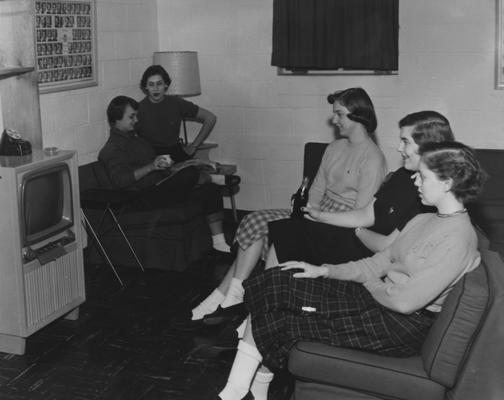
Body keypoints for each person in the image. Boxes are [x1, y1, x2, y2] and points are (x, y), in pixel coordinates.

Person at [215, 141, 485, 400]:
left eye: (423, 176)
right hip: (381, 301)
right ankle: (240, 390)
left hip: (398, 325)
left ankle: (237, 391)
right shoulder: (423, 218)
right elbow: (377, 263)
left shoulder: (458, 238)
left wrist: (368, 281)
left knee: (285, 314)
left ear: (448, 183)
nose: (414, 180)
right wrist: (322, 270)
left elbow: (403, 302)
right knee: (279, 278)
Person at [189, 87, 388, 323]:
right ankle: (233, 295)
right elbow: (316, 189)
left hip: (340, 225)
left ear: (358, 115)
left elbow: (361, 212)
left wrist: (317, 218)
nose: (334, 120)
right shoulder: (334, 148)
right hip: (316, 211)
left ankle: (230, 299)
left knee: (283, 234)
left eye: (340, 114)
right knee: (254, 220)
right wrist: (307, 212)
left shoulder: (372, 158)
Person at [264, 110, 455, 269]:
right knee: (289, 230)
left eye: (405, 141)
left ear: (426, 146)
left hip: (372, 255)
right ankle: (256, 302)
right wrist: (319, 215)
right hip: (360, 238)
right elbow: (366, 214)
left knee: (290, 235)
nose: (398, 148)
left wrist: (357, 231)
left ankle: (258, 303)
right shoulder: (401, 176)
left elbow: (386, 246)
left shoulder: (428, 196)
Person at [98, 95, 230, 253]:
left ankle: (220, 245)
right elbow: (121, 180)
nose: (136, 120)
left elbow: (161, 169)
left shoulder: (137, 140)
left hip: (160, 187)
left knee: (211, 190)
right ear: (116, 120)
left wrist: (191, 163)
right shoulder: (112, 149)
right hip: (140, 197)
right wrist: (152, 166)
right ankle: (208, 178)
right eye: (131, 117)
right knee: (188, 175)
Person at [137, 64, 239, 189]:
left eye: (159, 83)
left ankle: (207, 172)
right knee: (174, 175)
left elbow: (210, 118)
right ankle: (211, 177)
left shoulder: (176, 103)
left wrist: (194, 145)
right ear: (145, 87)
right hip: (152, 157)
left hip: (176, 153)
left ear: (166, 85)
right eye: (151, 85)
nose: (156, 88)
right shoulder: (138, 109)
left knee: (188, 171)